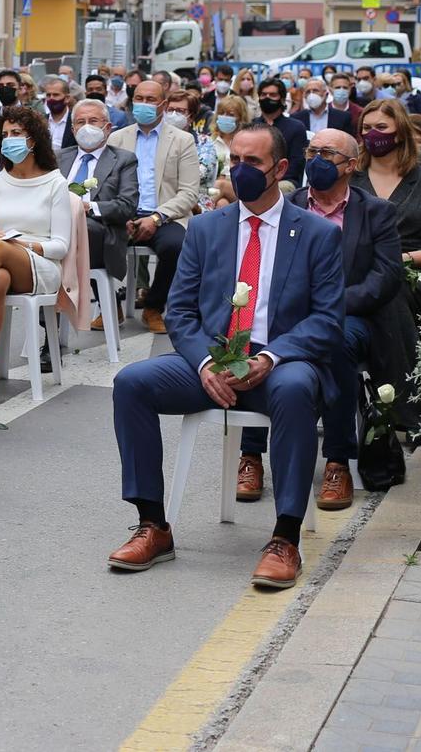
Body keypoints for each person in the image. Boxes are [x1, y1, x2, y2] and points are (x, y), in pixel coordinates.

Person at [106, 122, 344, 590]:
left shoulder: (316, 233)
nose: (239, 171)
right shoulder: (207, 228)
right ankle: (153, 524)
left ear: (279, 168)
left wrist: (271, 359)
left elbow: (327, 320)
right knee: (131, 383)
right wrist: (205, 363)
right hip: (212, 360)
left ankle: (285, 537)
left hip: (280, 362)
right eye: (234, 161)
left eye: (251, 162)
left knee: (297, 390)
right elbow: (180, 310)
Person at [238, 127, 406, 512]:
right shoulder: (287, 204)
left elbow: (386, 277)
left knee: (337, 342)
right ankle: (250, 455)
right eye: (312, 151)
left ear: (352, 164)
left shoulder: (375, 212)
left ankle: (336, 460)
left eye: (327, 154)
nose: (317, 161)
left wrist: (331, 305)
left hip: (350, 316)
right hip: (288, 315)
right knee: (256, 335)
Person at [0, 106, 72, 402]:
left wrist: (21, 245)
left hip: (42, 265)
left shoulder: (56, 183)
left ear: (33, 140)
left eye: (17, 134)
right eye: (5, 134)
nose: (10, 140)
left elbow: (61, 246)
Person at [105, 79, 203, 332]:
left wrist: (157, 218)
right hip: (123, 213)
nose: (144, 105)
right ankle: (109, 306)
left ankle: (153, 306)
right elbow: (107, 186)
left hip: (164, 216)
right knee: (90, 236)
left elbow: (189, 192)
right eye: (139, 99)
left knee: (176, 246)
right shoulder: (117, 138)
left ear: (164, 105)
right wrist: (119, 214)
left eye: (151, 100)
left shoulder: (182, 140)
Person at [357, 100, 421, 289]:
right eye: (366, 128)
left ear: (400, 133)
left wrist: (401, 259)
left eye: (381, 127)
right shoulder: (350, 178)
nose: (372, 134)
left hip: (411, 275)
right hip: (356, 272)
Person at [58, 97, 138, 321]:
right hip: (56, 229)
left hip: (99, 231)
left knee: (81, 228)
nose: (86, 127)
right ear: (72, 129)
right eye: (80, 122)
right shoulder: (59, 158)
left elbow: (127, 206)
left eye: (93, 121)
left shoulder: (123, 160)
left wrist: (88, 207)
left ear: (108, 127)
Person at [256, 78, 308, 181]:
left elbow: (296, 164)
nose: (267, 98)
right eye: (263, 94)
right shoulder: (252, 126)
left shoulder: (296, 127)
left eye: (273, 95)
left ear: (282, 99)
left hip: (284, 181)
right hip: (254, 179)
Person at [40, 75, 76, 151]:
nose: (51, 98)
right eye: (48, 95)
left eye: (56, 95)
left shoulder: (75, 122)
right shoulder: (40, 121)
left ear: (67, 98)